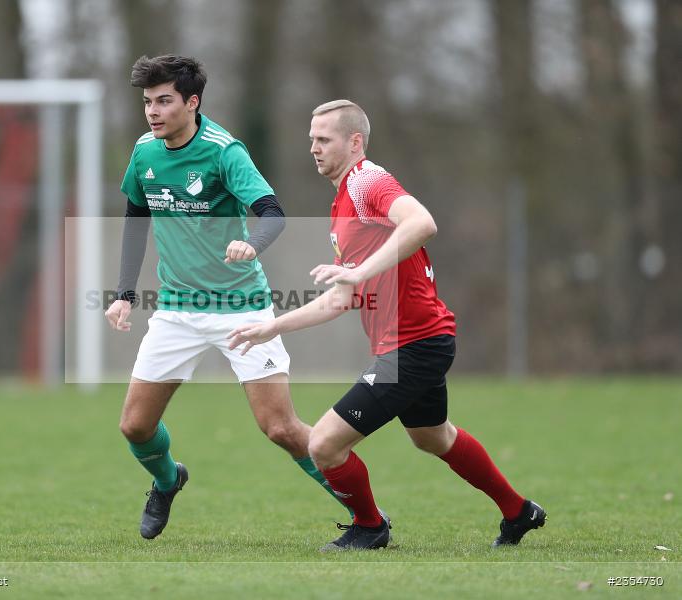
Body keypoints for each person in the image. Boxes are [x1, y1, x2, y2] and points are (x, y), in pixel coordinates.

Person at [228, 99, 546, 551]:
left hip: (413, 346)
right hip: (419, 342)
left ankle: (370, 526)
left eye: (324, 139)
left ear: (355, 142)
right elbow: (341, 299)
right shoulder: (342, 204)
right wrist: (273, 327)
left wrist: (358, 271)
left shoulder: (367, 180)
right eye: (311, 140)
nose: (314, 148)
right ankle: (519, 512)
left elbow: (421, 222)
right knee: (433, 437)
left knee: (323, 444)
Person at [105, 56, 363, 540]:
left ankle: (367, 516)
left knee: (282, 429)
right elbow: (135, 218)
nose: (153, 112)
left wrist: (253, 243)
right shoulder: (144, 151)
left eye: (164, 101)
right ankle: (168, 480)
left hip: (240, 310)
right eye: (147, 102)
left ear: (192, 102)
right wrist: (124, 294)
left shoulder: (225, 152)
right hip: (177, 311)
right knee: (135, 428)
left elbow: (272, 212)